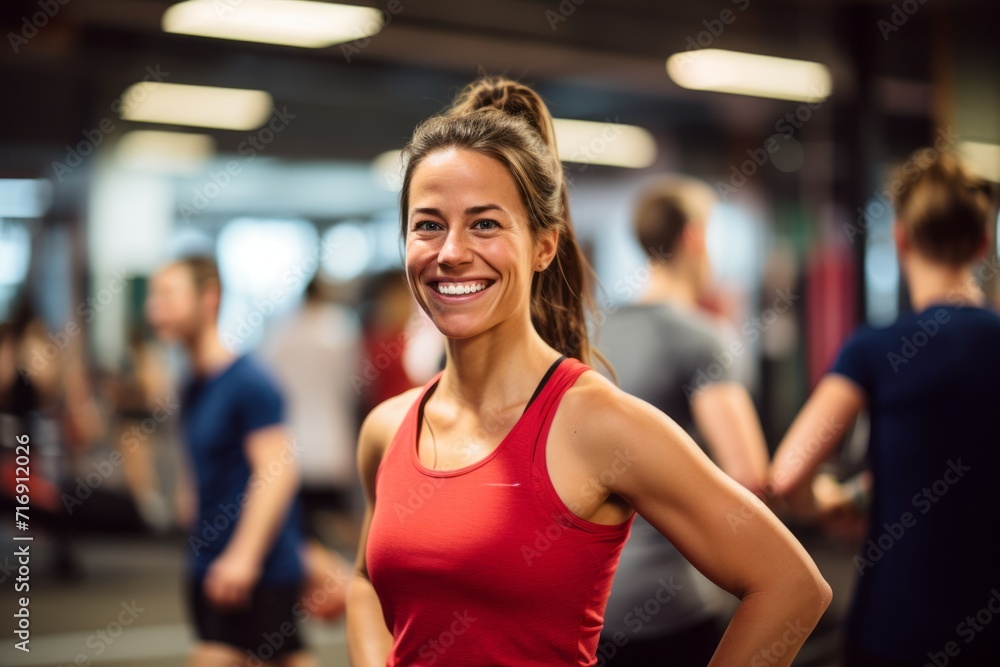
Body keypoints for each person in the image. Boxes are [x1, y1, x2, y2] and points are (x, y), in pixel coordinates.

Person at [346, 75, 831, 667]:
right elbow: (368, 581)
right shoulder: (387, 430)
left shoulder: (597, 423)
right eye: (427, 224)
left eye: (485, 223)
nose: (450, 251)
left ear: (544, 245)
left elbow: (790, 586)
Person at [769, 150, 1000, 667]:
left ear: (901, 240)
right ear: (983, 243)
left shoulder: (876, 348)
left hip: (897, 625)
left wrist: (829, 500)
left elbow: (787, 475)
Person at [596, 176, 771, 666]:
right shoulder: (701, 336)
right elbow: (749, 475)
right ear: (694, 237)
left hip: (595, 599)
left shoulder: (594, 333)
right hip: (673, 599)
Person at [146, 256, 315, 667]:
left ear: (209, 298)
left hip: (254, 572)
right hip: (208, 564)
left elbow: (277, 472)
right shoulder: (189, 384)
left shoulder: (250, 382)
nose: (154, 308)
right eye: (153, 296)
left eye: (168, 295)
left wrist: (244, 557)